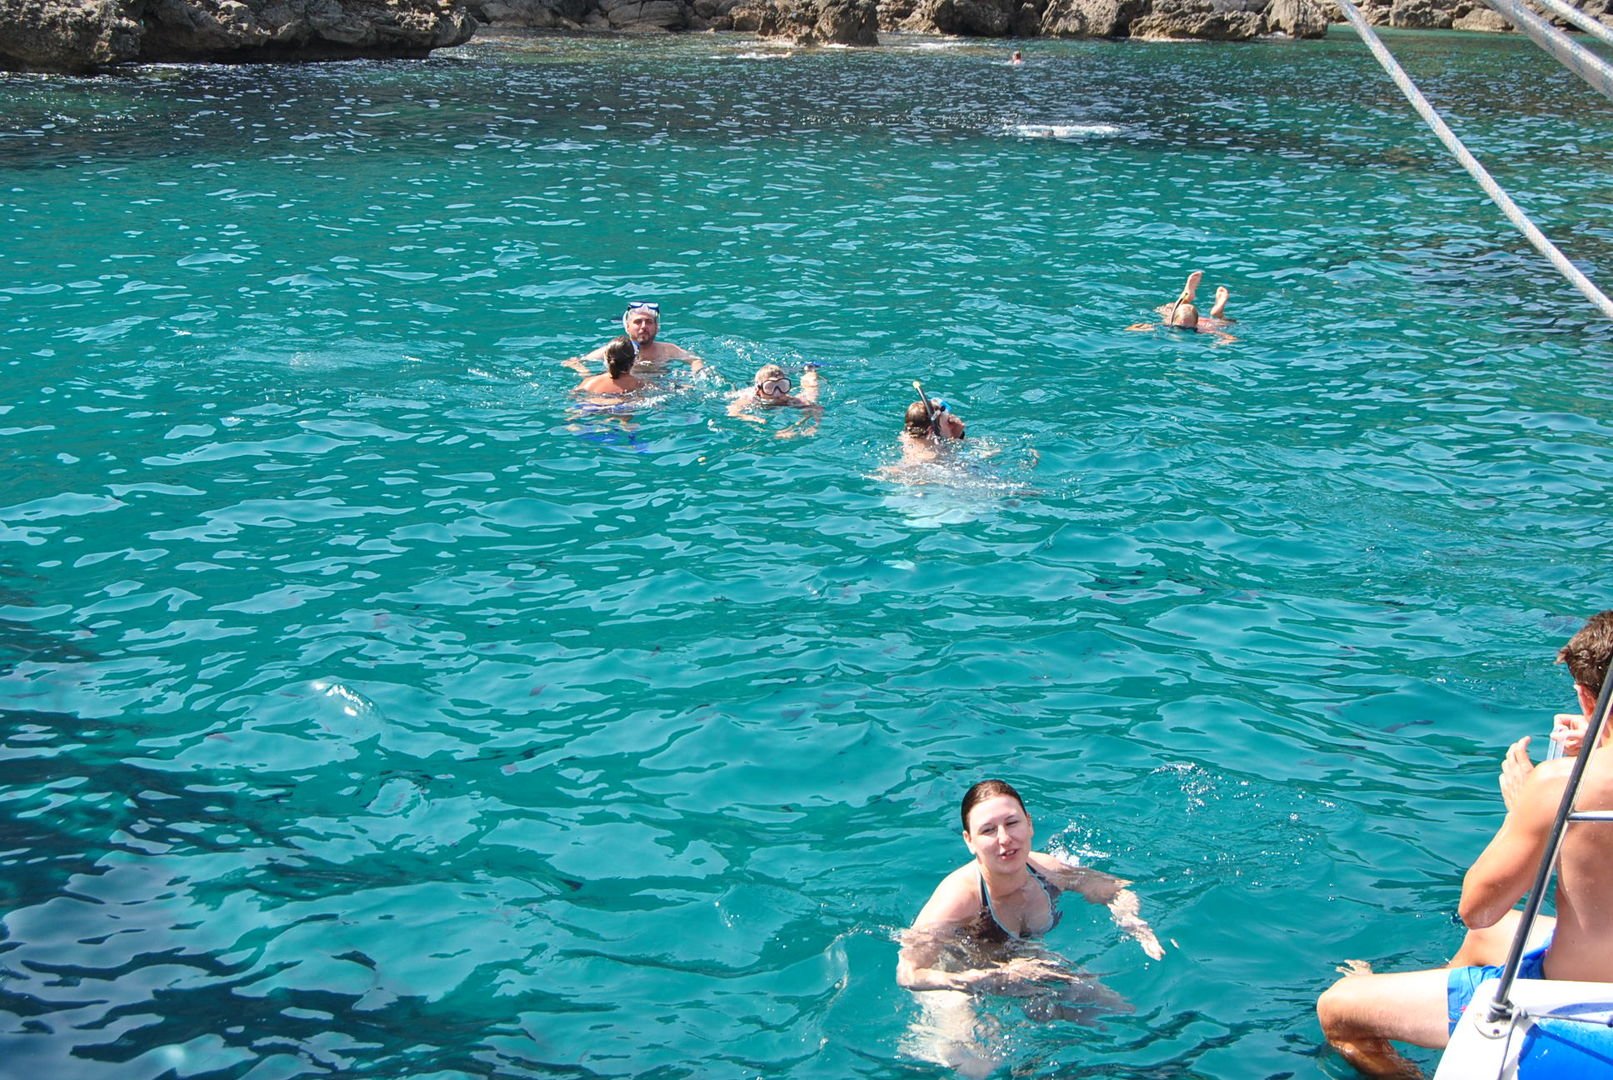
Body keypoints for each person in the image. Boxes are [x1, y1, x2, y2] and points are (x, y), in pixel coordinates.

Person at [1315, 611, 1613, 1077]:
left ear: (1586, 698)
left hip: (1581, 1000)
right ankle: (1446, 999)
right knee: (1487, 939)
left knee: (1338, 1009)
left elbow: (1478, 907)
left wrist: (1526, 811)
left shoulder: (1562, 786)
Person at [896, 780, 1164, 1073]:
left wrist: (1132, 921)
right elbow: (909, 973)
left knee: (1116, 1012)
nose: (1004, 839)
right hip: (955, 981)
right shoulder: (957, 898)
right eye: (988, 830)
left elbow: (1114, 888)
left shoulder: (1047, 871)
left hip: (1024, 963)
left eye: (1012, 823)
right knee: (981, 1062)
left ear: (1029, 825)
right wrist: (985, 978)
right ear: (969, 840)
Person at [567, 301, 705, 375]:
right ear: (627, 327)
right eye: (638, 322)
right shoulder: (613, 351)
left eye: (649, 322)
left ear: (657, 327)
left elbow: (696, 360)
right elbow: (572, 362)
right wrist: (586, 374)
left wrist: (694, 376)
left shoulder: (668, 350)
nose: (643, 326)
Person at [1127, 270, 1234, 340]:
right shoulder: (1202, 329)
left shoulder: (1168, 323)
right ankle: (1217, 312)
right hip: (1204, 321)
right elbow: (1228, 337)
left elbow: (1133, 327)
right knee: (1221, 322)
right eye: (1181, 327)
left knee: (1166, 309)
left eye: (1188, 328)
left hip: (1183, 318)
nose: (1185, 329)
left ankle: (1186, 296)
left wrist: (1139, 328)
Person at [727, 363, 823, 437]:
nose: (777, 393)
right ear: (759, 390)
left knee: (812, 391)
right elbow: (732, 411)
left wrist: (812, 426)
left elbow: (816, 409)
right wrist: (749, 417)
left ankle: (810, 370)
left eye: (782, 386)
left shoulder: (788, 399)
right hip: (747, 394)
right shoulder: (749, 398)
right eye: (770, 387)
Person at [899, 397, 966, 467]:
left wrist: (958, 435)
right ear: (931, 430)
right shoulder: (935, 457)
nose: (952, 426)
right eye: (948, 422)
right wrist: (957, 439)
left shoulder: (906, 437)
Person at [574, 336, 644, 398]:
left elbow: (573, 396)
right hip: (620, 407)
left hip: (590, 406)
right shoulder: (638, 384)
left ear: (606, 358)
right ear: (634, 359)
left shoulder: (589, 382)